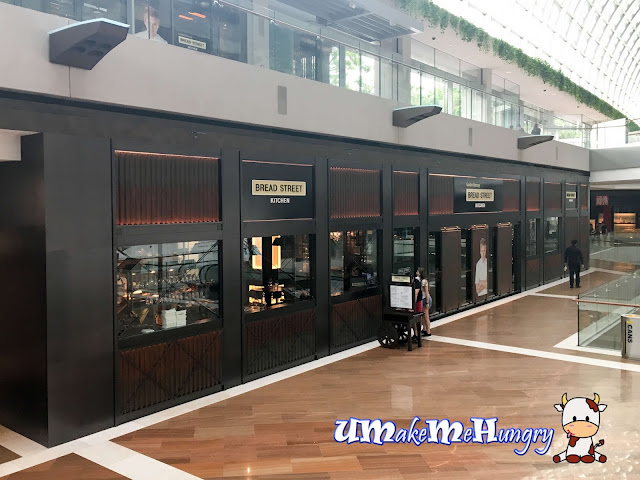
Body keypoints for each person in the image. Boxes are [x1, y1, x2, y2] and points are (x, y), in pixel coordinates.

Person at [418, 267, 432, 338]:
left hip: (425, 299)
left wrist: (427, 303)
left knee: (426, 316)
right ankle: (424, 329)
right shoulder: (421, 280)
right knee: (423, 316)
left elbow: (426, 292)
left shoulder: (424, 281)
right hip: (424, 299)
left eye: (418, 271)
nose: (416, 272)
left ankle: (428, 331)